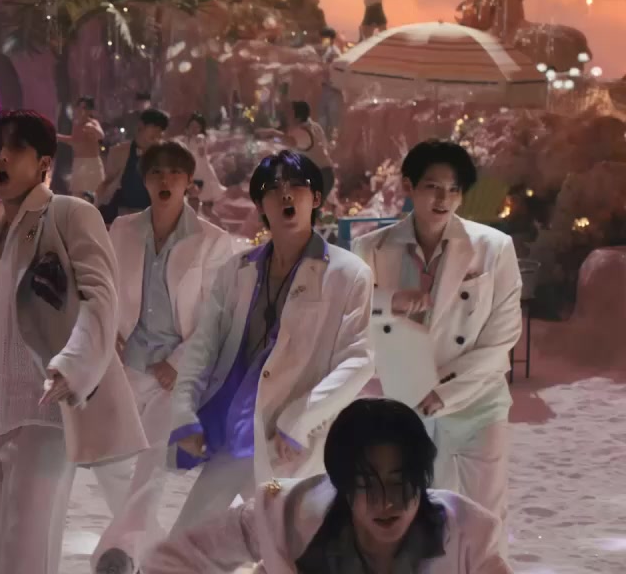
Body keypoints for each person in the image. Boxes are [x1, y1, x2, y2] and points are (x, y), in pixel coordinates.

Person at [0, 110, 148, 574]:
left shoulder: (70, 214)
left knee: (26, 550)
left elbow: (101, 298)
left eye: (15, 148)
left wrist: (72, 365)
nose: (1, 157)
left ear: (44, 163)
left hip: (46, 409)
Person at [166, 151, 374, 531]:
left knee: (288, 541)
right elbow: (204, 346)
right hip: (234, 433)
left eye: (296, 186)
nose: (286, 195)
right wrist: (184, 410)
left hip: (289, 441)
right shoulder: (237, 269)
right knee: (189, 538)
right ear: (261, 205)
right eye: (273, 189)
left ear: (316, 198)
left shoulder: (348, 273)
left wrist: (300, 419)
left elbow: (358, 360)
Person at [352, 140, 521, 537]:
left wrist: (444, 390)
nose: (444, 199)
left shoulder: (494, 248)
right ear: (409, 186)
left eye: (454, 189)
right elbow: (350, 316)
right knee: (424, 512)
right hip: (406, 399)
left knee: (484, 515)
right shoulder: (371, 248)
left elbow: (503, 335)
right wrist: (390, 300)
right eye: (432, 187)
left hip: (477, 400)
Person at [144, 398, 512, 574]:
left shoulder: (468, 537)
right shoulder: (283, 514)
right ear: (342, 485)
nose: (387, 502)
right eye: (367, 484)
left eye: (401, 482)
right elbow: (172, 561)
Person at [91, 141, 236, 574]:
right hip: (125, 365)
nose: (165, 180)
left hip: (176, 373)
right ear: (146, 181)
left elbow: (218, 314)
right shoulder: (122, 230)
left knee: (152, 463)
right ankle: (152, 552)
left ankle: (115, 554)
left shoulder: (213, 241)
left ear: (189, 182)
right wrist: (108, 335)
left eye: (175, 173)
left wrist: (180, 361)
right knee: (107, 460)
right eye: (157, 172)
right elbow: (102, 289)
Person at [98, 108, 169, 219]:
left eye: (161, 130)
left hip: (153, 213)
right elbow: (108, 181)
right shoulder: (119, 151)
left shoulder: (164, 154)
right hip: (123, 211)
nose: (157, 133)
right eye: (154, 127)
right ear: (141, 125)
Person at [277, 101, 335, 201]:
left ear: (298, 117)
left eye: (290, 112)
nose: (286, 115)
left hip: (320, 175)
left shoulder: (302, 132)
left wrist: (272, 133)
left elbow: (289, 141)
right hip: (325, 173)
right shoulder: (314, 126)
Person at [58, 97, 106, 199]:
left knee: (95, 197)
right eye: (79, 107)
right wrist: (57, 137)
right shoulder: (76, 124)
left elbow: (101, 135)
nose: (80, 110)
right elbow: (74, 141)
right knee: (77, 198)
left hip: (92, 164)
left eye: (84, 108)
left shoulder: (92, 123)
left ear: (90, 111)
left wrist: (93, 129)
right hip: (79, 164)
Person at [175, 114, 225, 208]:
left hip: (202, 174)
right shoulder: (185, 140)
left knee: (206, 207)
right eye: (192, 126)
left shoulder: (200, 138)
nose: (194, 129)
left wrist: (199, 142)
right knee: (192, 202)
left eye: (197, 127)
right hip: (191, 174)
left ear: (201, 128)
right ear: (188, 127)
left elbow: (201, 153)